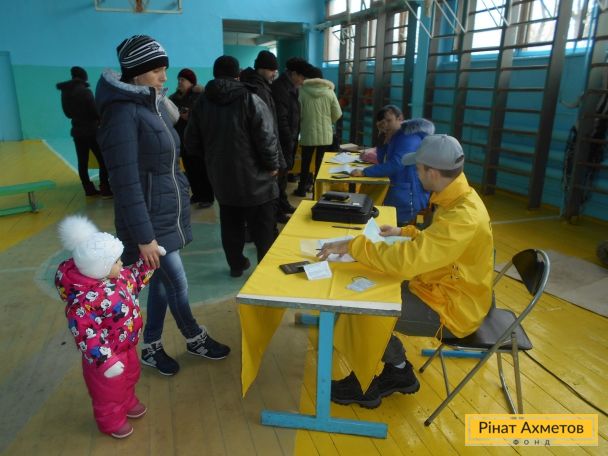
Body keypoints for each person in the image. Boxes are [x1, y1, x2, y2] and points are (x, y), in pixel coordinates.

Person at [318, 135, 494, 408]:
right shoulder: (459, 198)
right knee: (364, 292)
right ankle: (398, 370)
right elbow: (439, 243)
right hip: (440, 288)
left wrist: (354, 246)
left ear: (432, 173)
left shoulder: (463, 215)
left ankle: (365, 383)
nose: (416, 173)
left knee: (362, 305)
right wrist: (405, 232)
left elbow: (409, 261)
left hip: (452, 308)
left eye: (418, 168)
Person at [95, 35, 230, 376]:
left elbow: (165, 165)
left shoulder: (148, 107)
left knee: (159, 283)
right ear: (135, 73)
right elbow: (125, 183)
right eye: (156, 70)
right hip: (148, 224)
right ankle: (194, 336)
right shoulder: (121, 114)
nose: (164, 77)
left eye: (164, 70)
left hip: (164, 213)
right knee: (177, 283)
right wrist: (144, 237)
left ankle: (151, 346)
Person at [55, 215, 161, 438]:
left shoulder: (118, 277)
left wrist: (147, 262)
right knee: (107, 391)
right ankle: (111, 421)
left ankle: (127, 400)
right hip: (105, 358)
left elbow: (135, 277)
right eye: (116, 261)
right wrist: (105, 361)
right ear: (99, 267)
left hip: (126, 345)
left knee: (130, 376)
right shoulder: (82, 303)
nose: (121, 264)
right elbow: (86, 335)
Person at [184, 55, 279, 277]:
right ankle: (264, 274)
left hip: (221, 177)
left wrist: (212, 158)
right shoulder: (250, 98)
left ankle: (236, 265)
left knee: (230, 223)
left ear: (214, 74)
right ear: (238, 75)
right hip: (256, 178)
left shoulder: (202, 103)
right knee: (263, 227)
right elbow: (266, 136)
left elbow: (191, 142)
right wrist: (272, 164)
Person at [350, 107, 433, 225]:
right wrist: (384, 138)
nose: (386, 126)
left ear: (400, 119)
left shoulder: (408, 138)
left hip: (409, 196)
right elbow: (382, 160)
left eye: (389, 121)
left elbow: (397, 164)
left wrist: (365, 172)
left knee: (383, 221)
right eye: (382, 124)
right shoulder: (396, 136)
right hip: (399, 190)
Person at [240, 50, 289, 224]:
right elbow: (265, 128)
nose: (274, 73)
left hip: (260, 149)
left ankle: (271, 219)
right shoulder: (258, 89)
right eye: (271, 70)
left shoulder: (259, 86)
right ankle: (270, 223)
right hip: (263, 150)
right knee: (268, 191)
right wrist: (273, 159)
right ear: (261, 69)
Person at [56, 66, 112, 198]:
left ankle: (88, 189)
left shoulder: (65, 92)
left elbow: (67, 113)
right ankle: (105, 188)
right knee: (103, 160)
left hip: (77, 131)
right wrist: (101, 119)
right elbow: (95, 112)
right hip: (91, 131)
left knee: (82, 162)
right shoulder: (85, 92)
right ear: (84, 77)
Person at [169, 68, 214, 209]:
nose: (179, 82)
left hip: (198, 141)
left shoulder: (200, 96)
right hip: (183, 140)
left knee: (202, 170)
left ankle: (207, 197)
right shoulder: (173, 98)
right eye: (178, 80)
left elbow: (206, 115)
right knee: (190, 170)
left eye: (182, 80)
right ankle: (197, 194)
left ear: (191, 82)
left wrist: (190, 116)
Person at [295, 65, 342, 197]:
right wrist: (328, 122)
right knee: (320, 164)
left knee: (305, 163)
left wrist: (305, 122)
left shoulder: (301, 92)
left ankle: (302, 189)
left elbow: (298, 114)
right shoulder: (329, 92)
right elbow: (337, 113)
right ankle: (318, 191)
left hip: (307, 133)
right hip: (325, 135)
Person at [271, 57, 308, 212]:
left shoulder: (290, 87)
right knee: (280, 175)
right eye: (302, 77)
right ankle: (278, 209)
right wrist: (288, 139)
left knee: (284, 175)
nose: (303, 81)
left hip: (288, 139)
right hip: (282, 140)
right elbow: (281, 118)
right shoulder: (281, 88)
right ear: (294, 74)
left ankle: (282, 202)